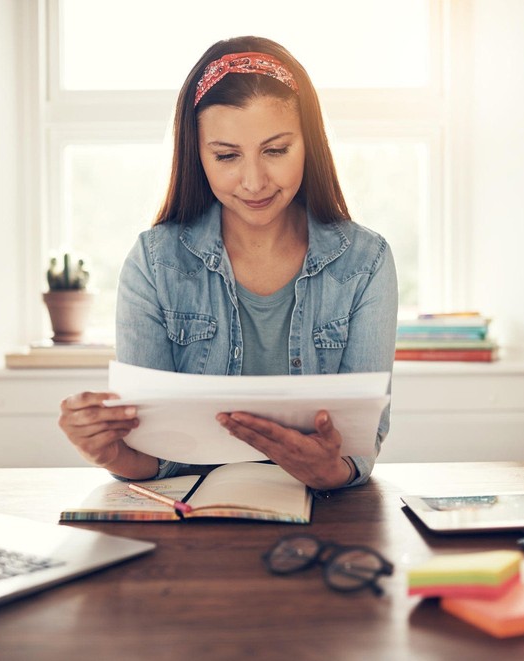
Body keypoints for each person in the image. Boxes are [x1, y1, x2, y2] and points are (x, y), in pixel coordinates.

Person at [59, 36, 398, 490]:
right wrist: (112, 453)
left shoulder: (366, 262)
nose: (254, 182)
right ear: (197, 156)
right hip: (194, 514)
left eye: (276, 151)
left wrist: (329, 471)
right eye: (226, 156)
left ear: (309, 145)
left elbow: (359, 447)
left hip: (323, 518)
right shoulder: (154, 263)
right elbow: (157, 458)